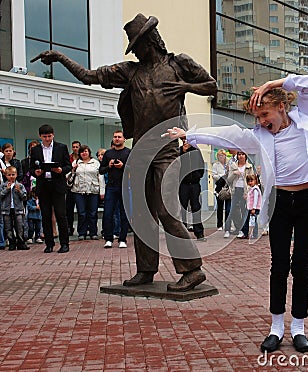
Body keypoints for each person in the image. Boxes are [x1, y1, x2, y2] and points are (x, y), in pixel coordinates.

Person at [31, 13, 217, 291]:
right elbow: (89, 76)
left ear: (150, 41)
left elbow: (211, 84)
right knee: (141, 214)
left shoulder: (179, 64)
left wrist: (186, 87)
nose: (136, 50)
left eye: (138, 44)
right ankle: (146, 269)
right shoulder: (131, 72)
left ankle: (192, 270)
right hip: (140, 149)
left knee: (166, 211)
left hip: (167, 149)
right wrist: (60, 57)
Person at [164, 73, 308, 352]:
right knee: (279, 265)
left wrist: (272, 84)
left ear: (281, 108)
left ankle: (298, 328)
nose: (261, 121)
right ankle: (275, 327)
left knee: (302, 265)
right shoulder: (259, 137)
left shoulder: (305, 119)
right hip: (280, 202)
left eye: (265, 114)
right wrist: (191, 134)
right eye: (257, 117)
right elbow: (230, 136)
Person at [29, 124, 72, 253]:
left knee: (60, 214)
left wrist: (61, 170)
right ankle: (49, 243)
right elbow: (31, 168)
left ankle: (64, 243)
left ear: (53, 135)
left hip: (57, 184)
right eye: (44, 137)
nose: (47, 139)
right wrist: (35, 172)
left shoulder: (61, 147)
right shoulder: (35, 150)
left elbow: (68, 166)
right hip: (43, 185)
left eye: (49, 136)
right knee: (46, 215)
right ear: (40, 136)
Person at [99, 130, 131, 248]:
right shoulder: (108, 153)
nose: (117, 139)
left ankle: (122, 239)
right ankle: (108, 238)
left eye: (119, 137)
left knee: (124, 213)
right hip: (111, 187)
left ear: (124, 139)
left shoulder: (129, 153)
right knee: (108, 213)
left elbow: (135, 169)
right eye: (115, 137)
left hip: (124, 186)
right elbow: (101, 170)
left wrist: (123, 166)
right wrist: (109, 166)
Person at [69, 145, 104, 240]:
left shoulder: (96, 163)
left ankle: (93, 232)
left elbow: (100, 177)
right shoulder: (76, 163)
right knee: (82, 213)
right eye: (82, 152)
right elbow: (68, 177)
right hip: (78, 191)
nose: (84, 153)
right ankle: (82, 232)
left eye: (86, 151)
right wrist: (73, 170)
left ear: (89, 152)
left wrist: (102, 191)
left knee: (93, 213)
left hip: (93, 191)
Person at [179, 139, 206, 241]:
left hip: (195, 184)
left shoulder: (196, 151)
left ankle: (199, 233)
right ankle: (182, 232)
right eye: (184, 140)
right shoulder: (179, 151)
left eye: (187, 140)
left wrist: (198, 175)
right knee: (183, 208)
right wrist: (183, 152)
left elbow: (201, 165)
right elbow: (176, 165)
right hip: (183, 184)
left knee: (196, 207)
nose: (185, 142)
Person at [225, 151, 254, 239]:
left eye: (243, 154)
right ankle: (227, 229)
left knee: (244, 211)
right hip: (235, 190)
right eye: (239, 154)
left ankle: (243, 231)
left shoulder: (249, 166)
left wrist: (248, 193)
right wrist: (234, 173)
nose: (241, 156)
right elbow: (229, 180)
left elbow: (251, 180)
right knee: (230, 210)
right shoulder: (233, 165)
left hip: (244, 190)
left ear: (246, 156)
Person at [0, 166, 29, 251]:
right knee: (8, 227)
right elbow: (1, 195)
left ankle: (21, 242)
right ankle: (11, 242)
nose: (11, 176)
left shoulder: (20, 185)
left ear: (16, 175)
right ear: (6, 175)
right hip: (6, 209)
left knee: (20, 226)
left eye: (13, 174)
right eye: (9, 175)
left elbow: (24, 197)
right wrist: (7, 190)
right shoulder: (3, 185)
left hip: (18, 209)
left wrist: (19, 191)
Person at [212, 149, 231, 231]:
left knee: (228, 208)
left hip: (227, 186)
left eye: (222, 155)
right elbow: (213, 176)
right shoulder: (215, 165)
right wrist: (222, 175)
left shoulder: (229, 164)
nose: (221, 157)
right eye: (219, 155)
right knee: (220, 207)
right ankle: (219, 225)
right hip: (219, 186)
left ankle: (228, 225)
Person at [66, 140, 81, 236]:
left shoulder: (83, 158)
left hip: (79, 187)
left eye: (77, 147)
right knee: (68, 209)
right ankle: (69, 227)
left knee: (81, 209)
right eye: (74, 147)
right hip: (69, 187)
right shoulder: (69, 158)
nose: (75, 148)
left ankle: (81, 229)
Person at [242, 174, 261, 240]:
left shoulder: (255, 190)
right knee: (246, 221)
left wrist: (254, 208)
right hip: (249, 208)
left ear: (255, 181)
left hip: (253, 208)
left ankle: (255, 234)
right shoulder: (251, 189)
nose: (250, 182)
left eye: (251, 181)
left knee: (254, 222)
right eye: (249, 181)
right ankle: (245, 233)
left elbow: (255, 200)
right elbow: (250, 199)